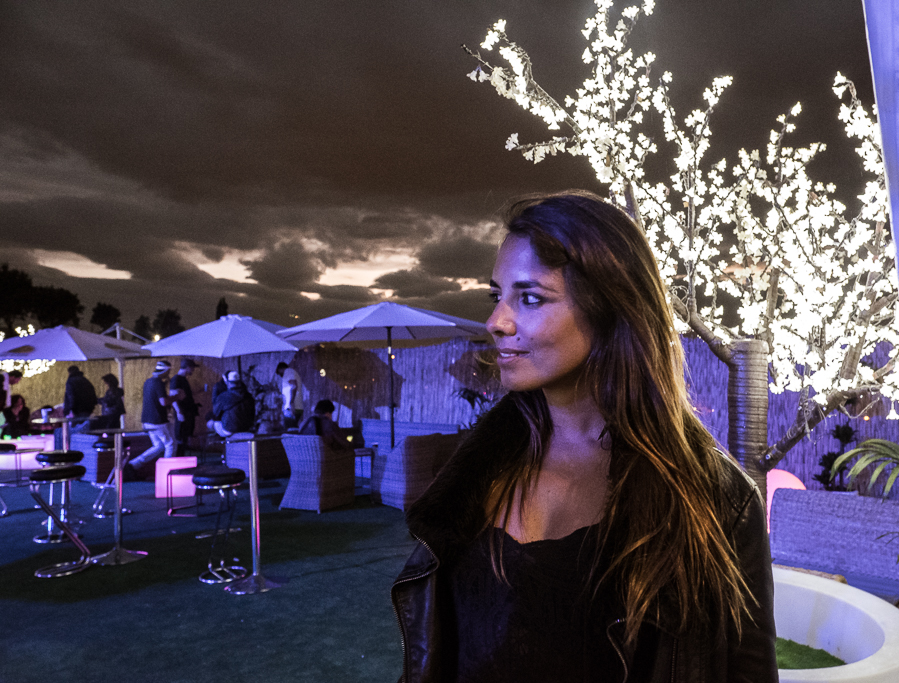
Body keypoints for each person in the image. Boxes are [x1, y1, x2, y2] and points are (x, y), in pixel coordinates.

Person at [391, 191, 777, 683]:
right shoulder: (475, 468)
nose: (495, 322)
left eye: (530, 298)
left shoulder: (716, 501)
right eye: (497, 296)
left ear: (610, 308)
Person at [125, 360, 180, 480]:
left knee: (158, 445)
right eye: (169, 371)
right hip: (158, 420)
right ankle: (167, 472)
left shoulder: (148, 381)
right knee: (170, 444)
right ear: (165, 371)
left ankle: (133, 465)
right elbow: (163, 402)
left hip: (147, 420)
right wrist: (177, 397)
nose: (169, 374)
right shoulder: (158, 383)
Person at [170, 358, 200, 457]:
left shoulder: (182, 379)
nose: (193, 370)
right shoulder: (177, 379)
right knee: (181, 437)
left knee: (184, 438)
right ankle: (179, 459)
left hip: (186, 412)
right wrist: (179, 412)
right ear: (187, 367)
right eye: (192, 368)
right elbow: (173, 396)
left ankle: (182, 458)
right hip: (183, 412)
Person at [210, 371, 255, 437]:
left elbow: (215, 414)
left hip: (229, 430)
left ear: (228, 382)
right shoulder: (249, 396)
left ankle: (218, 441)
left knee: (210, 423)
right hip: (246, 428)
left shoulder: (223, 396)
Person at [63, 365, 98, 433]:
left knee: (75, 430)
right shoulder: (85, 380)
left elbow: (71, 396)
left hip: (76, 410)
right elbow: (92, 394)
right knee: (84, 428)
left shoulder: (70, 381)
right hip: (87, 409)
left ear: (69, 372)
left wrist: (69, 410)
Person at [276, 361, 304, 429]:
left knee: (290, 428)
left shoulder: (288, 372)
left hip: (291, 407)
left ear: (281, 369)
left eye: (280, 372)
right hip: (297, 405)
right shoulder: (292, 373)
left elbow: (294, 385)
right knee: (294, 427)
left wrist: (291, 402)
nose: (280, 375)